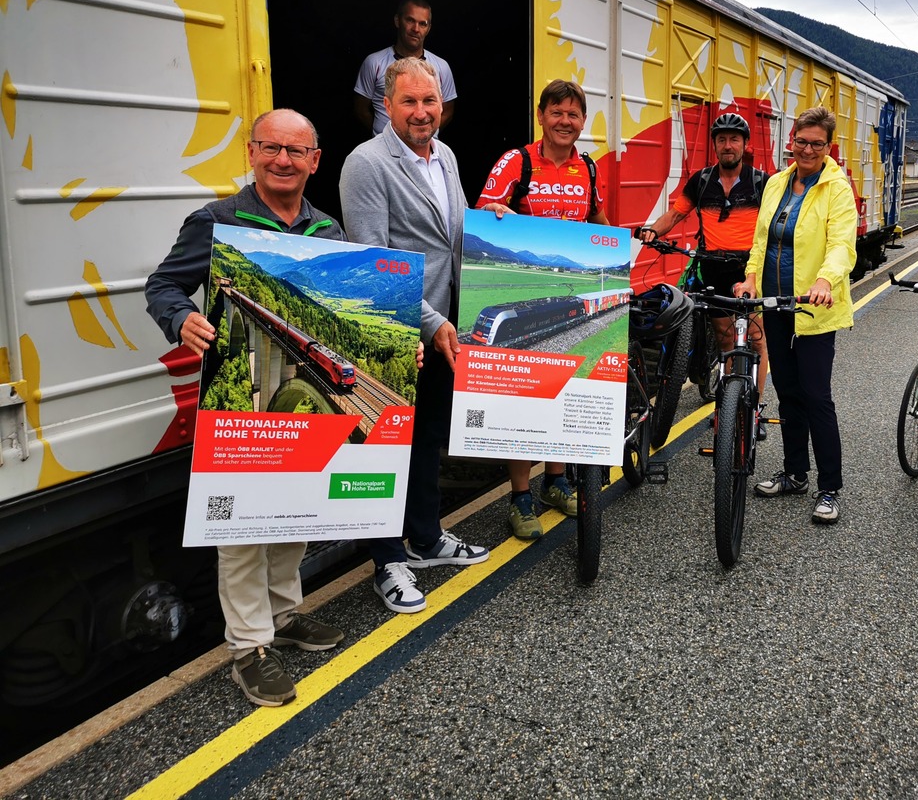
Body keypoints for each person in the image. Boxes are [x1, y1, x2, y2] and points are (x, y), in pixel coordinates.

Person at [144, 109, 346, 707]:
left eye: (296, 151)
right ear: (251, 152)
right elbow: (162, 285)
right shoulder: (216, 221)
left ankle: (284, 617)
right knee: (240, 529)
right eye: (271, 148)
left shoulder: (328, 231)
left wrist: (393, 349)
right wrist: (181, 319)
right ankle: (249, 646)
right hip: (239, 394)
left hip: (301, 393)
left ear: (314, 160)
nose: (282, 160)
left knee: (293, 513)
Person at [340, 57, 489, 614]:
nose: (422, 112)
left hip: (444, 325)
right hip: (396, 325)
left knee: (428, 436)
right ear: (387, 105)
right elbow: (374, 260)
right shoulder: (367, 165)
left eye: (430, 102)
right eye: (409, 102)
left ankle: (425, 539)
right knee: (386, 446)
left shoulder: (445, 156)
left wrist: (489, 228)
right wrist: (433, 323)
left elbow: (454, 232)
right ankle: (385, 561)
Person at [475, 79, 607, 539]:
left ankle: (555, 481)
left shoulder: (587, 168)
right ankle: (520, 495)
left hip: (568, 286)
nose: (565, 121)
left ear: (582, 121)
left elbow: (597, 221)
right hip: (525, 281)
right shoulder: (518, 160)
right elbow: (485, 207)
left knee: (565, 387)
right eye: (557, 112)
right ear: (541, 115)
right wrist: (498, 211)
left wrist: (616, 249)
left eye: (574, 114)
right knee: (524, 396)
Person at [734, 106, 856, 525]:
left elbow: (843, 245)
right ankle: (794, 473)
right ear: (792, 140)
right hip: (775, 306)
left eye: (816, 143)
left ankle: (829, 487)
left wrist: (825, 280)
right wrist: (751, 278)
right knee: (787, 393)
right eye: (801, 141)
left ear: (829, 147)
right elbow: (760, 240)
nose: (807, 149)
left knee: (816, 396)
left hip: (814, 308)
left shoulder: (836, 189)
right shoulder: (776, 183)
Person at [636, 112, 770, 420]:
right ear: (715, 145)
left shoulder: (761, 183)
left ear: (744, 144)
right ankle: (731, 402)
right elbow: (676, 214)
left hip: (750, 269)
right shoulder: (702, 180)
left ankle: (755, 409)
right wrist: (653, 231)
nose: (727, 145)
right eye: (721, 139)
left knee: (756, 339)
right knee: (726, 342)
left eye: (734, 139)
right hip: (714, 268)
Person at [353, 0, 457, 135]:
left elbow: (447, 110)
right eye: (410, 20)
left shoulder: (441, 67)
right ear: (397, 21)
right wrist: (383, 135)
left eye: (423, 24)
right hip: (385, 151)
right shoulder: (374, 62)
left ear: (428, 28)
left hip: (426, 152)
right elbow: (361, 109)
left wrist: (425, 134)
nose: (415, 28)